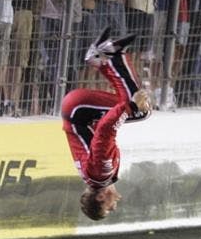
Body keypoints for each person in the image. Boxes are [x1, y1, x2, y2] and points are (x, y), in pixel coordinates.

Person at [61, 28, 152, 221]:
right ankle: (104, 58)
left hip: (79, 110)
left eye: (109, 209)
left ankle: (109, 57)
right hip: (77, 112)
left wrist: (130, 107)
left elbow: (104, 131)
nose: (114, 207)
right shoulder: (95, 178)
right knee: (132, 104)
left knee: (140, 109)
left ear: (101, 197)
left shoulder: (101, 174)